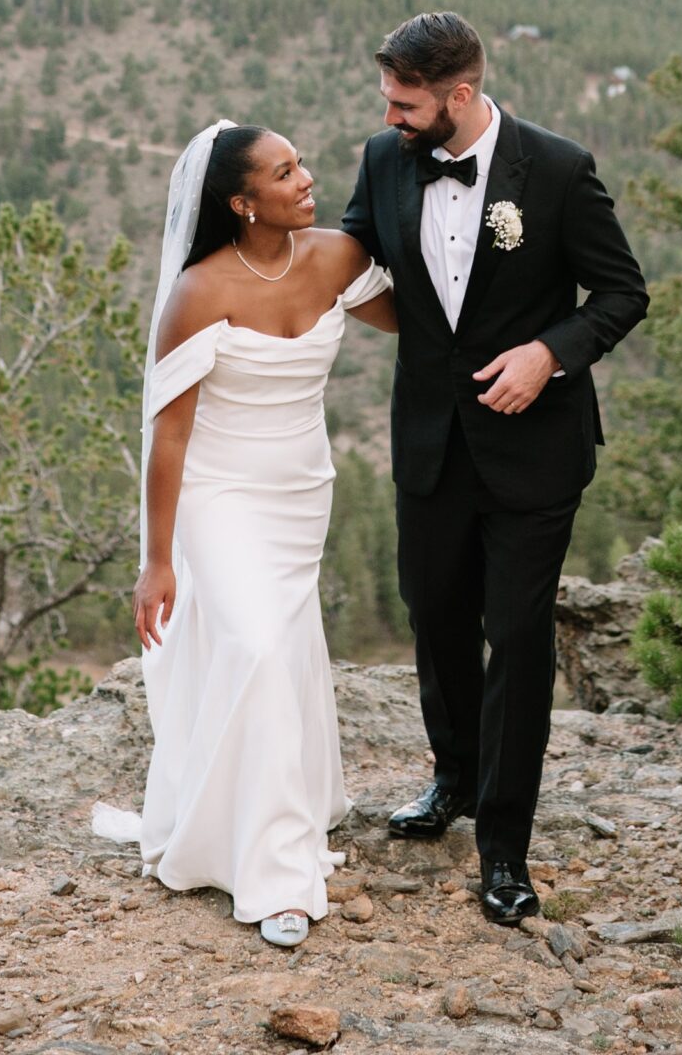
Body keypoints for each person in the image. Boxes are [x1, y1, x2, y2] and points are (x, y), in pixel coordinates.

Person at [340, 10, 648, 927]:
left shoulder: (554, 168)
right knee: (435, 619)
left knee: (514, 640)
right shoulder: (384, 157)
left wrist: (545, 355)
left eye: (405, 102)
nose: (390, 116)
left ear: (460, 95)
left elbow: (622, 292)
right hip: (430, 441)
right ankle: (453, 780)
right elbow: (352, 256)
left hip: (532, 449)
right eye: (387, 101)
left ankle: (504, 845)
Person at [98, 119, 397, 950]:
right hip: (217, 493)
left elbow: (420, 323)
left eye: (300, 163)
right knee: (260, 647)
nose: (307, 180)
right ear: (241, 202)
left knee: (280, 645)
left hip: (301, 489)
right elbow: (169, 437)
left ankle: (263, 806)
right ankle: (276, 875)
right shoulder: (199, 292)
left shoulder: (336, 257)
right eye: (284, 172)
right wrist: (158, 561)